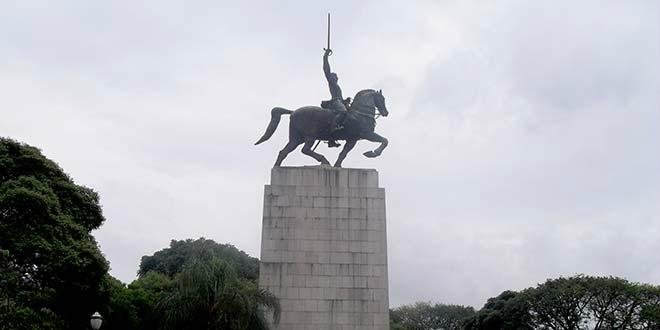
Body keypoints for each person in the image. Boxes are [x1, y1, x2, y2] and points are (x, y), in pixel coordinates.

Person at [321, 48, 350, 148]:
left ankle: (335, 138)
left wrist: (345, 100)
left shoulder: (337, 86)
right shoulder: (331, 83)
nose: (335, 78)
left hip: (339, 101)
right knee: (343, 112)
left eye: (336, 77)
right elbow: (326, 70)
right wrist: (325, 57)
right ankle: (334, 128)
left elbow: (340, 97)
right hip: (335, 101)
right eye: (333, 76)